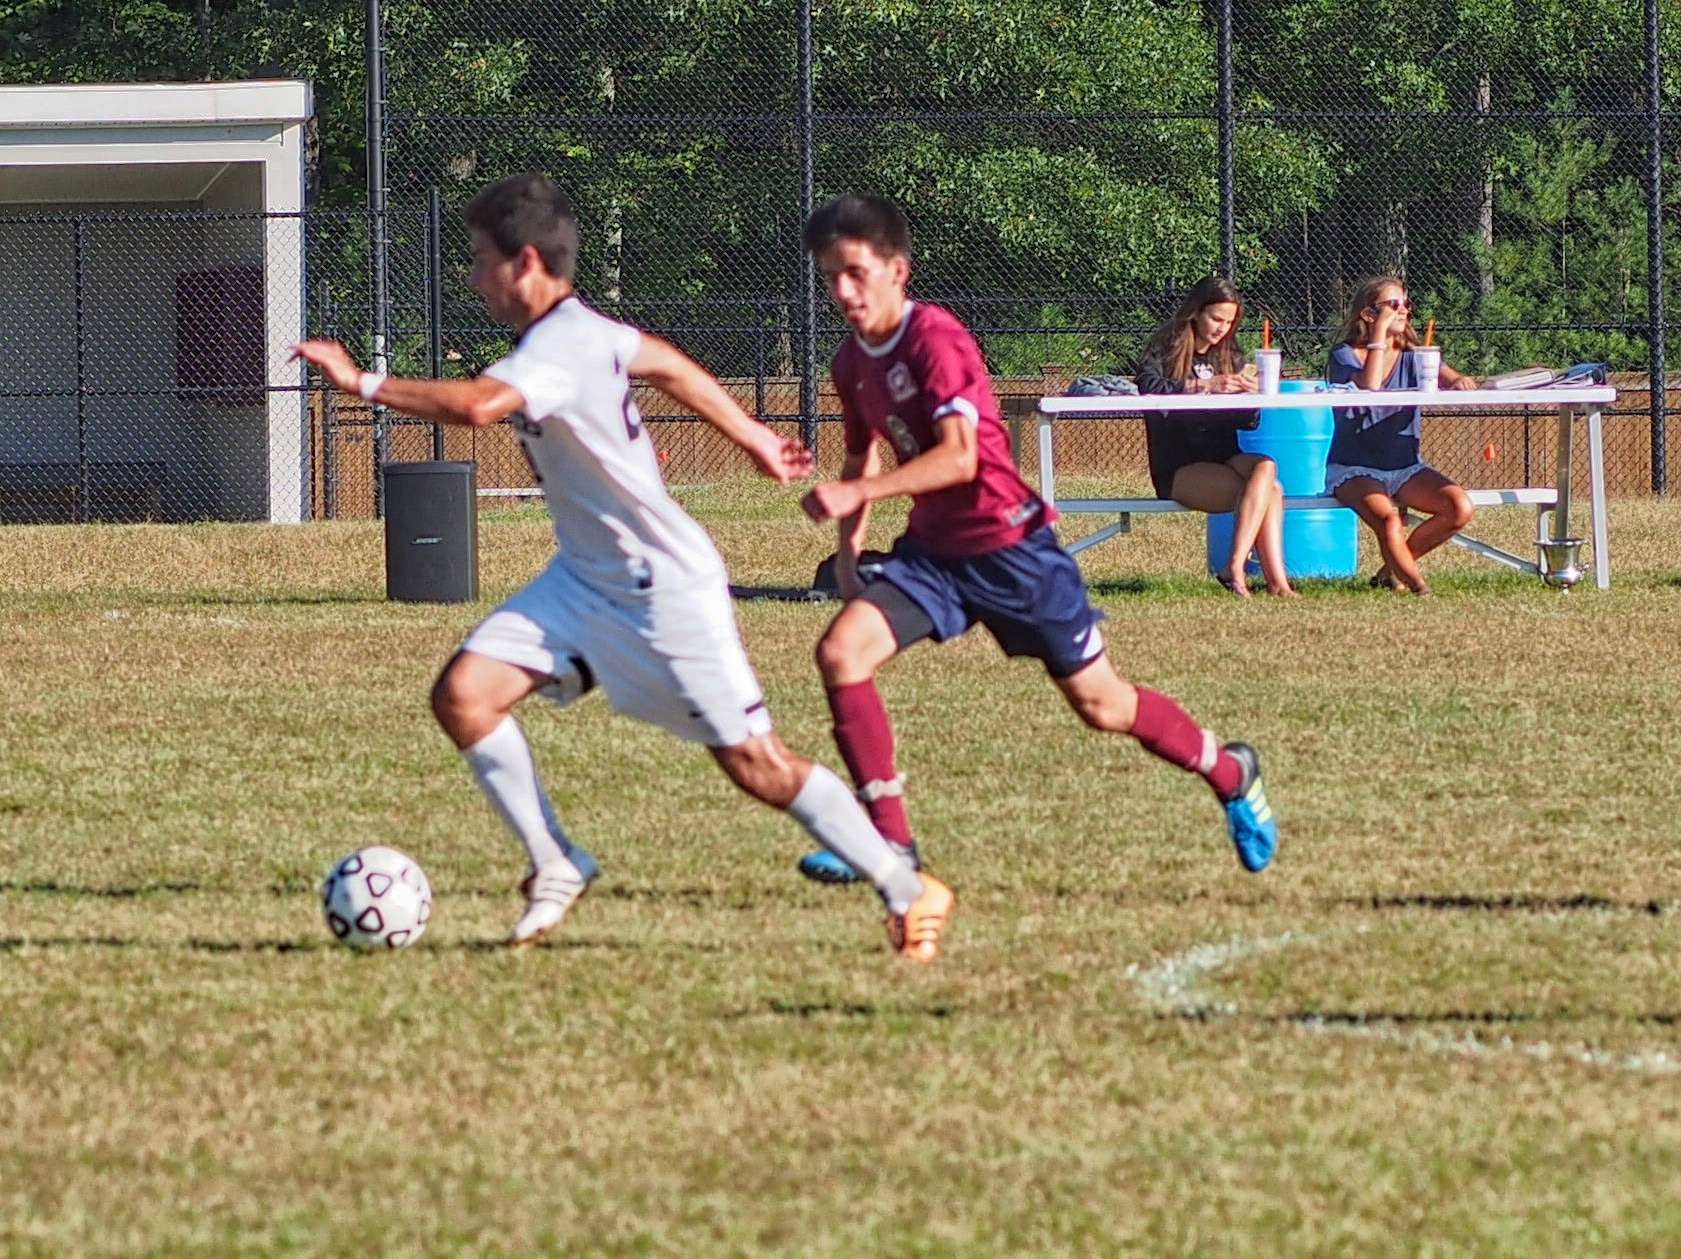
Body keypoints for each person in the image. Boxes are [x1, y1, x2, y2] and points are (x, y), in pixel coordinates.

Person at [293, 172, 953, 961]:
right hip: (583, 579)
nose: (471, 278)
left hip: (661, 587)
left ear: (525, 262)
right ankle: (555, 861)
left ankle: (906, 885)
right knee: (464, 695)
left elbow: (476, 407)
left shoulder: (558, 346)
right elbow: (666, 361)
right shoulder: (581, 329)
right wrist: (749, 433)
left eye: (478, 259)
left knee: (757, 764)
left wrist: (359, 381)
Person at [792, 193, 1278, 887]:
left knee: (1102, 705)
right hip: (934, 556)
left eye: (855, 273)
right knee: (842, 653)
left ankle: (1231, 772)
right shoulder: (851, 362)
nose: (842, 291)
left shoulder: (935, 339)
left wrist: (859, 496)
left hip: (1013, 551)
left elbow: (960, 457)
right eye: (830, 276)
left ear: (897, 271)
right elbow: (859, 457)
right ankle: (890, 842)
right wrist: (846, 556)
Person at [1133, 278, 1295, 598]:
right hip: (1180, 464)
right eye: (1216, 319)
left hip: (1224, 454)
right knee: (1269, 492)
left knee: (1266, 469)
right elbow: (1146, 386)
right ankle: (1255, 575)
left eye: (1230, 322)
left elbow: (1246, 422)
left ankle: (1254, 574)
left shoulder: (1229, 352)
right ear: (1196, 312)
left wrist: (1252, 396)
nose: (1223, 328)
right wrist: (1203, 386)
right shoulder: (1168, 345)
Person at [1326, 276, 1478, 596]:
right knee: (1389, 522)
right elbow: (1370, 384)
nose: (1403, 310)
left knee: (1459, 507)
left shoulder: (1414, 355)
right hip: (1354, 467)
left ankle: (1390, 572)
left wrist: (1459, 382)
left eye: (1406, 304)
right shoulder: (1344, 354)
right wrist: (1379, 335)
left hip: (1404, 465)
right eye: (1393, 305)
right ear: (1367, 313)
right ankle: (1420, 588)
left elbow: (1451, 379)